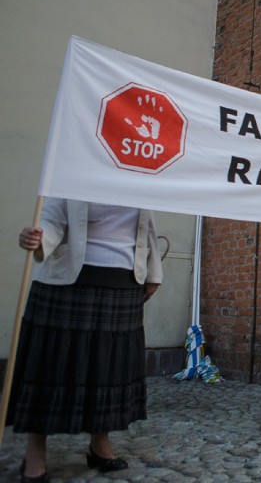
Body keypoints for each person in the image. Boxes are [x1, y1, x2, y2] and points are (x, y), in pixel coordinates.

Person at [9, 199, 163, 481]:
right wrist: (39, 237)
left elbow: (147, 227)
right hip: (66, 279)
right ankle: (35, 454)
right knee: (47, 368)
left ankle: (99, 445)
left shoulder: (138, 169)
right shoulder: (73, 162)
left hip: (124, 279)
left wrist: (153, 272)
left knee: (107, 372)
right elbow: (53, 219)